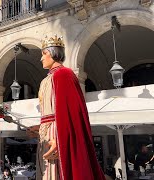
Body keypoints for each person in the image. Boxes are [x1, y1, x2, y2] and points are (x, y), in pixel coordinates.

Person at [27, 35, 105, 180]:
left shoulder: (64, 74)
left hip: (58, 138)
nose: (41, 59)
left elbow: (71, 113)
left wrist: (59, 139)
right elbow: (51, 114)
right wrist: (39, 127)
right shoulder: (46, 79)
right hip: (46, 138)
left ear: (54, 53)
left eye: (44, 54)